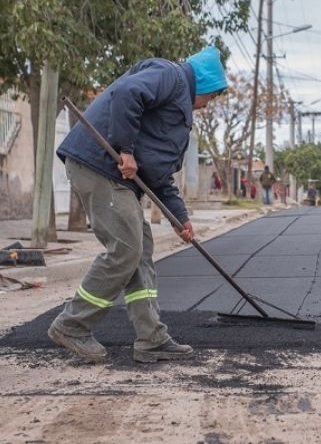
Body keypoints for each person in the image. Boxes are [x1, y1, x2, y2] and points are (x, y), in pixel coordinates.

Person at [48, 46, 228, 364]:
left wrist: (179, 218)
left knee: (140, 250)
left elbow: (159, 176)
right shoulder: (171, 76)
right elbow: (127, 92)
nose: (207, 105)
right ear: (204, 84)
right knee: (125, 249)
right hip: (99, 164)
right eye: (211, 97)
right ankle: (72, 325)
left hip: (114, 175)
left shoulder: (176, 117)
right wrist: (126, 149)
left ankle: (151, 337)